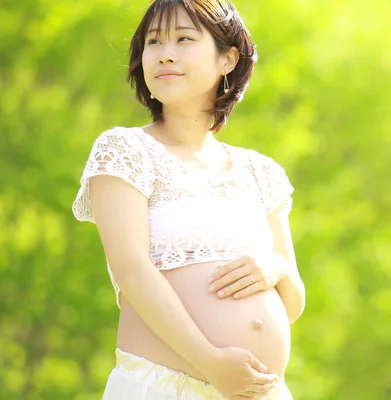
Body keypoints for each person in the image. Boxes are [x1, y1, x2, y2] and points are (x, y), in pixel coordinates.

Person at [71, 0, 305, 399]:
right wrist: (210, 362)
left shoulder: (261, 172)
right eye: (153, 42)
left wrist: (275, 267)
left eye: (183, 39)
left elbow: (294, 300)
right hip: (163, 386)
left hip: (261, 392)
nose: (165, 53)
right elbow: (131, 271)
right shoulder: (124, 150)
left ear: (227, 59)